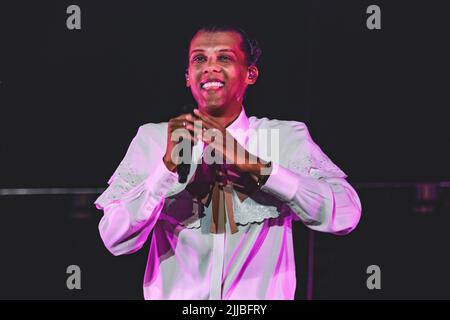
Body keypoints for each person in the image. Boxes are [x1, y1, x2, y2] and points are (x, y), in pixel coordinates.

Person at [94, 24, 362, 300]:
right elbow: (114, 239)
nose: (210, 67)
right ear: (188, 76)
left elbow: (345, 215)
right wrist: (166, 170)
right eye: (200, 58)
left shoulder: (283, 137)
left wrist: (259, 168)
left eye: (224, 57)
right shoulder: (153, 139)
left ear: (251, 74)